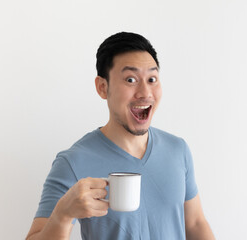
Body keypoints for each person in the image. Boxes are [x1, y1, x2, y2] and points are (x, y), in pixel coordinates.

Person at [26, 32, 215, 240]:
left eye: (152, 79)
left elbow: (195, 223)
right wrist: (62, 215)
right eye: (131, 79)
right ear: (102, 87)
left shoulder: (178, 150)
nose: (145, 92)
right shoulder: (72, 162)